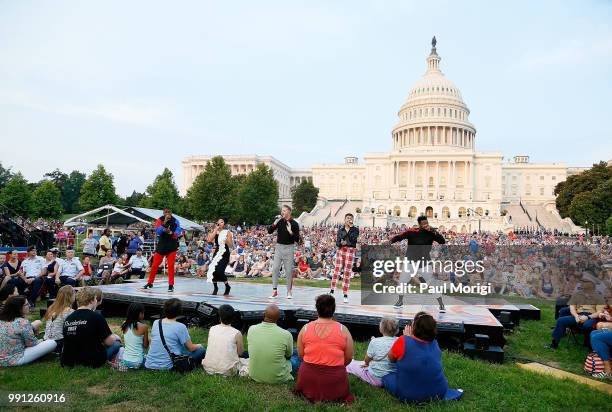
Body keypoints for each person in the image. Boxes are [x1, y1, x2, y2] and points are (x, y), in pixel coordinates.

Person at [383, 312, 463, 402]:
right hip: (439, 392)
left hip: (409, 395)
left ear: (414, 328)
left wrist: (407, 338)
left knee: (386, 378)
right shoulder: (435, 344)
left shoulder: (403, 340)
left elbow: (391, 359)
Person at [294, 294, 354, 404]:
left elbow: (301, 354)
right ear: (334, 309)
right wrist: (337, 367)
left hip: (308, 376)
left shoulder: (305, 328)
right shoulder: (343, 329)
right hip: (334, 378)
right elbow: (349, 357)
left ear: (317, 309)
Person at [389, 215, 446, 308]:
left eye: (427, 223)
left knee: (431, 283)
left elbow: (442, 241)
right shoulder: (412, 232)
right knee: (402, 281)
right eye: (423, 223)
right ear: (419, 224)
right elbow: (400, 237)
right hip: (410, 262)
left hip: (424, 263)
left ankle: (441, 304)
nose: (426, 225)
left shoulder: (431, 233)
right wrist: (390, 240)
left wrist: (434, 231)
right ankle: (400, 301)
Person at [61, 287, 121, 368]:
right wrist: (116, 337)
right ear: (92, 300)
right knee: (116, 344)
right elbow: (109, 342)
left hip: (69, 360)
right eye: (96, 299)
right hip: (91, 361)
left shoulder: (69, 318)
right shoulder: (96, 317)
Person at [145, 298, 205, 370]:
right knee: (201, 350)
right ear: (180, 311)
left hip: (149, 363)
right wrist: (199, 345)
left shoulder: (156, 322)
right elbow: (191, 348)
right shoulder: (180, 327)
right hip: (168, 365)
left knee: (181, 347)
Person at [248, 304, 299, 383]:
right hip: (278, 377)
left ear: (264, 314)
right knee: (298, 355)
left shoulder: (251, 329)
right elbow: (288, 356)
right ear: (278, 318)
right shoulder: (286, 334)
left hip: (254, 375)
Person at [0, 295, 57, 366]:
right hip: (15, 359)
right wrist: (41, 340)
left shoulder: (2, 320)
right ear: (19, 308)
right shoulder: (22, 322)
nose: (29, 305)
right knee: (52, 342)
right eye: (26, 304)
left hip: (2, 357)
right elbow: (32, 343)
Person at [549, 279, 605, 349]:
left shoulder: (599, 297)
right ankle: (554, 344)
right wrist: (576, 316)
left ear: (591, 284)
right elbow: (572, 307)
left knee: (587, 325)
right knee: (561, 320)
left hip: (591, 316)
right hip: (578, 314)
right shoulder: (577, 294)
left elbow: (599, 312)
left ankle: (588, 345)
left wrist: (588, 317)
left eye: (585, 282)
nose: (582, 283)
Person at [346, 317, 398, 386]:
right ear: (397, 329)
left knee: (353, 365)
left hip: (376, 378)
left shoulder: (375, 342)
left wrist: (367, 363)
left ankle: (349, 365)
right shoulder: (400, 341)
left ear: (381, 328)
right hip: (392, 377)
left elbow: (366, 360)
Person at [202, 304, 248, 376]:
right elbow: (240, 353)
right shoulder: (237, 333)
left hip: (208, 367)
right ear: (233, 318)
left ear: (219, 317)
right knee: (248, 357)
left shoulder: (212, 329)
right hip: (228, 371)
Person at [143, 208, 182, 292]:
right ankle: (150, 283)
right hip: (162, 245)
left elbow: (178, 232)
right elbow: (158, 231)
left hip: (171, 245)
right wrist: (164, 224)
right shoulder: (159, 220)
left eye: (169, 212)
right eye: (166, 212)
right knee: (154, 265)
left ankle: (171, 285)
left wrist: (171, 233)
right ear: (163, 213)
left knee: (171, 266)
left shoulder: (176, 221)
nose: (167, 214)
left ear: (171, 213)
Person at [268, 205, 300, 299]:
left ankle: (289, 292)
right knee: (275, 268)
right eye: (282, 210)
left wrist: (290, 231)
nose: (282, 212)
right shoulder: (279, 221)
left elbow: (297, 239)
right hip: (279, 247)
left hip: (289, 248)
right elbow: (269, 231)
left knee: (289, 271)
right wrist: (274, 223)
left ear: (289, 211)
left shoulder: (294, 224)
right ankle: (274, 290)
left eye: (284, 210)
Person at [330, 213, 359, 303]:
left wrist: (350, 229)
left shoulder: (355, 230)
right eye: (347, 218)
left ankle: (345, 294)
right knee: (337, 270)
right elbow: (337, 242)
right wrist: (341, 244)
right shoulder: (340, 230)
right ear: (345, 219)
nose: (349, 219)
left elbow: (353, 239)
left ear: (352, 220)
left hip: (350, 251)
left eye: (350, 218)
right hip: (341, 250)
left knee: (347, 273)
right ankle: (332, 291)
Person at [43, 285, 75, 353]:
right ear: (70, 296)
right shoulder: (70, 311)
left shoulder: (51, 308)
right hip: (59, 343)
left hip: (46, 341)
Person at [206, 217, 233, 296]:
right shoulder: (215, 231)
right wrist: (215, 229)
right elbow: (210, 240)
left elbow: (231, 245)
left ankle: (227, 286)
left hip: (225, 253)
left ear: (224, 224)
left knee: (220, 271)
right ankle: (215, 287)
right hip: (217, 252)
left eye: (221, 222)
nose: (219, 223)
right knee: (212, 269)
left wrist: (226, 240)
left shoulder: (227, 232)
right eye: (218, 222)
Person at [120, 303, 149, 369]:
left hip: (125, 360)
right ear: (140, 314)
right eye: (143, 313)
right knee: (148, 358)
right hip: (137, 362)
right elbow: (145, 346)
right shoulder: (144, 327)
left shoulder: (124, 323)